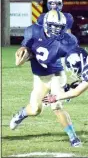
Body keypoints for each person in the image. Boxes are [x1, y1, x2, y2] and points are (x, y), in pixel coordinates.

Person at [10, 10, 81, 147]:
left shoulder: (66, 39)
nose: (56, 29)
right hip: (40, 78)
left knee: (56, 106)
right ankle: (22, 114)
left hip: (56, 75)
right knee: (35, 110)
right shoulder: (33, 32)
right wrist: (22, 54)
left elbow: (74, 55)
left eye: (59, 27)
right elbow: (25, 49)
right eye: (53, 25)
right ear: (46, 24)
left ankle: (73, 138)